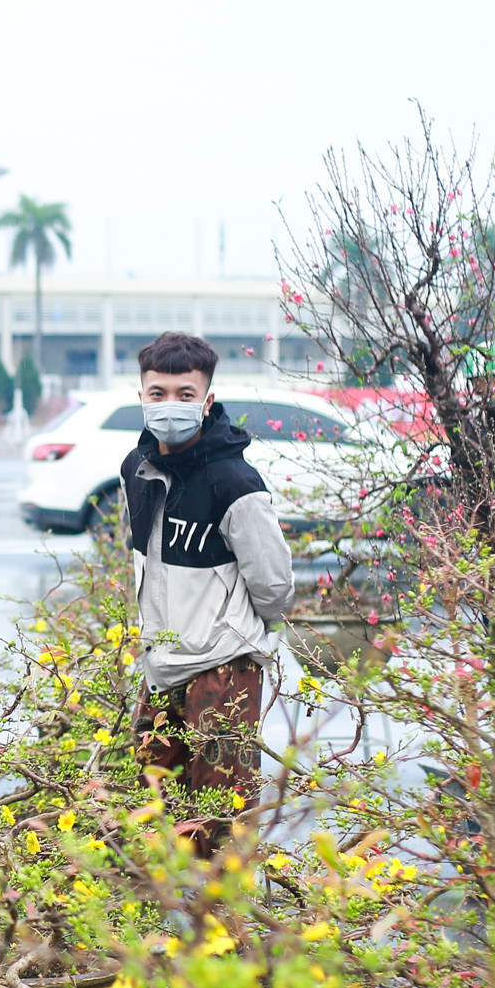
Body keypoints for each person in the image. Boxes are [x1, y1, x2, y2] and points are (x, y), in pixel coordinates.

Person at [120, 332, 293, 804]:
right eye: (158, 394)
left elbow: (275, 587)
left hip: (222, 669)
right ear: (142, 396)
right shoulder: (136, 468)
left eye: (184, 394)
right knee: (152, 812)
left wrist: (239, 641)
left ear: (207, 400)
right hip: (160, 666)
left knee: (221, 819)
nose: (169, 405)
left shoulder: (234, 481)